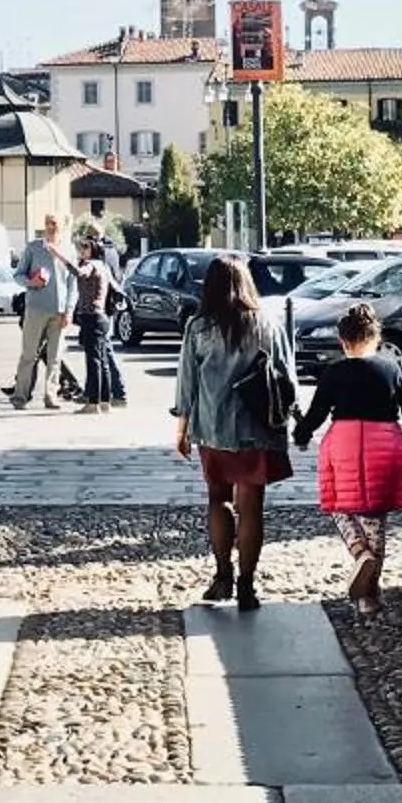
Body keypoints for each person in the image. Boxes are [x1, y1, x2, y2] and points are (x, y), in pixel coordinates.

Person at [172, 254, 296, 610]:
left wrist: (181, 428)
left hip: (213, 427)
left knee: (217, 499)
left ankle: (222, 575)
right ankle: (247, 586)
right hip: (258, 427)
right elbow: (286, 377)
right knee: (252, 507)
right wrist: (296, 421)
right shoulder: (267, 323)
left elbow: (186, 384)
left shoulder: (199, 328)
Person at [293, 302, 402, 609]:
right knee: (376, 516)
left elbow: (316, 414)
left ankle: (358, 551)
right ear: (376, 337)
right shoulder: (393, 369)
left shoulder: (334, 372)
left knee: (340, 505)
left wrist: (301, 434)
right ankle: (370, 594)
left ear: (342, 340)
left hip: (344, 444)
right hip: (386, 442)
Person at [7, 213, 75, 409]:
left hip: (59, 312)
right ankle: (20, 396)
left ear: (62, 226)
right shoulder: (34, 248)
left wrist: (69, 310)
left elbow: (73, 284)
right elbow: (18, 275)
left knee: (55, 357)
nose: (50, 227)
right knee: (29, 355)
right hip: (35, 309)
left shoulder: (68, 250)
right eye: (47, 224)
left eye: (54, 224)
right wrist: (31, 282)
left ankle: (51, 396)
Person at [71, 235, 129, 411]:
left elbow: (80, 273)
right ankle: (105, 402)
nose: (81, 251)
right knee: (102, 359)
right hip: (102, 316)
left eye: (85, 248)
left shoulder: (92, 265)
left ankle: (93, 403)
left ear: (93, 250)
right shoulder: (103, 266)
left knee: (94, 360)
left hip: (92, 316)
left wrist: (61, 257)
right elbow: (116, 288)